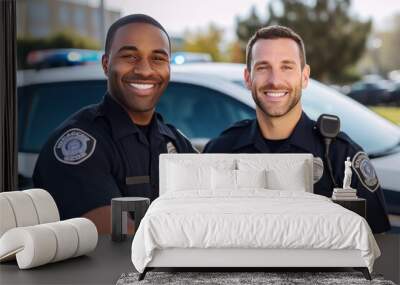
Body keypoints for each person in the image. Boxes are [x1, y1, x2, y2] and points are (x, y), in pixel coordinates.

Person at [204, 25, 390, 233]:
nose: (275, 81)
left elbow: (373, 244)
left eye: (287, 67)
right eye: (263, 67)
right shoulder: (221, 152)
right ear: (248, 78)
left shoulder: (340, 157)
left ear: (304, 76)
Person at [33, 14, 197, 233]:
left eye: (158, 58)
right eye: (130, 56)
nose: (145, 70)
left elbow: (212, 214)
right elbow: (118, 239)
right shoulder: (79, 145)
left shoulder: (173, 140)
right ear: (106, 64)